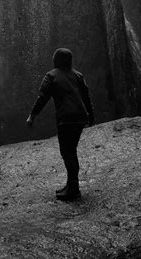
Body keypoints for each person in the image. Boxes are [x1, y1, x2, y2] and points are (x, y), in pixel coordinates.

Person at [26, 48, 94, 201]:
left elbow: (42, 98)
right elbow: (87, 97)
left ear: (56, 60)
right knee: (71, 151)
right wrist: (91, 116)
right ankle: (71, 185)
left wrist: (32, 116)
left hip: (66, 119)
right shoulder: (78, 75)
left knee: (67, 152)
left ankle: (73, 189)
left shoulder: (51, 76)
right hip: (80, 118)